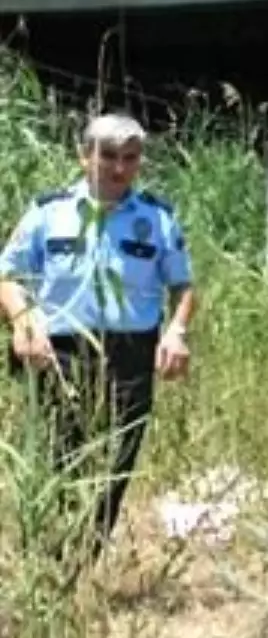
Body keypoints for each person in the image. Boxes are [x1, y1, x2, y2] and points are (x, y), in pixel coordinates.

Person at [0, 112, 196, 565]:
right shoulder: (48, 212)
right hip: (62, 351)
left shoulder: (157, 218)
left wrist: (177, 330)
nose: (119, 168)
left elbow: (182, 286)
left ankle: (83, 560)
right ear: (83, 155)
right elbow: (8, 274)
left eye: (130, 158)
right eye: (107, 156)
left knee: (118, 461)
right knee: (60, 457)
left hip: (130, 351)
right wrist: (23, 317)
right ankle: (48, 559)